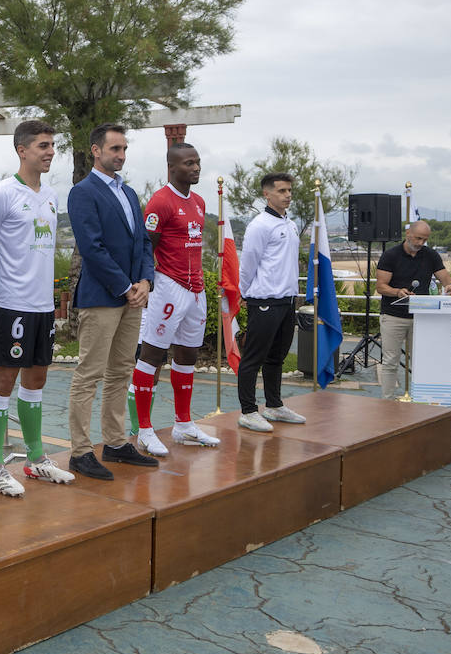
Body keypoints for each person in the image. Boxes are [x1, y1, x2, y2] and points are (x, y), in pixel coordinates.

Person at [0, 120, 75, 496]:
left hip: (41, 306)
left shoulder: (50, 195)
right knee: (4, 380)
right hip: (11, 304)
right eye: (42, 145)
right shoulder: (1, 194)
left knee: (37, 378)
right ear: (22, 150)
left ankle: (36, 460)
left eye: (52, 146)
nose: (50, 152)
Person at [66, 123, 158, 480]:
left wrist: (146, 281)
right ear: (96, 150)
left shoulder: (129, 193)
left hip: (132, 297)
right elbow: (92, 247)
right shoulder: (83, 192)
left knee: (122, 371)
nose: (120, 155)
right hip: (102, 298)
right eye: (114, 149)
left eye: (124, 149)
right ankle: (80, 452)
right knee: (89, 374)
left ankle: (116, 443)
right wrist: (125, 286)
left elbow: (144, 244)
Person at [129, 143, 222, 455]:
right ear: (172, 167)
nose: (195, 168)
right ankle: (144, 429)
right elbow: (146, 247)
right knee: (152, 356)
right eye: (188, 163)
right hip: (168, 287)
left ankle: (184, 425)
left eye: (197, 162)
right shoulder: (160, 202)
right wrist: (145, 283)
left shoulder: (198, 201)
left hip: (196, 290)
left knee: (188, 356)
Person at [237, 173, 307, 431]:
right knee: (254, 357)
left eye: (289, 190)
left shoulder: (289, 224)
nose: (288, 195)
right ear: (267, 194)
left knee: (277, 356)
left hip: (287, 301)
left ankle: (275, 406)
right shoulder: (259, 225)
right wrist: (245, 294)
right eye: (282, 191)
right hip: (264, 299)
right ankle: (248, 410)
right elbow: (248, 264)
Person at [374, 220, 451, 400]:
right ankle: (386, 402)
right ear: (408, 234)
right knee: (390, 362)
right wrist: (397, 292)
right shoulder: (390, 255)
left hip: (421, 317)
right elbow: (380, 287)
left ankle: (420, 399)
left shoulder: (431, 255)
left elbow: (446, 279)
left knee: (421, 361)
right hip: (392, 316)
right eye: (418, 238)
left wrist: (450, 286)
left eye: (424, 240)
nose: (420, 243)